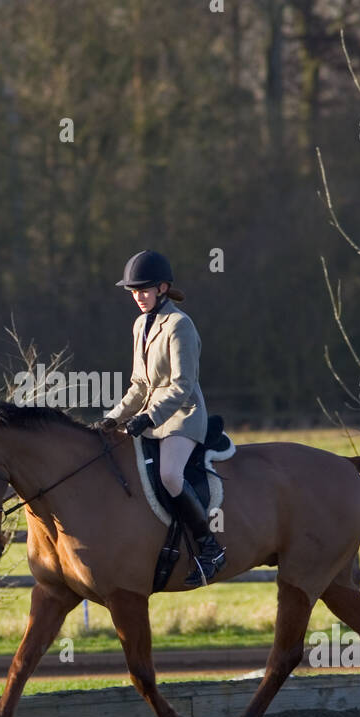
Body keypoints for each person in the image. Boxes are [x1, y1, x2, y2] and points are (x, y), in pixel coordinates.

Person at [98, 250, 226, 587]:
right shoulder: (140, 324)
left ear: (163, 288)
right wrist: (114, 418)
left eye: (143, 290)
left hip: (184, 417)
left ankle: (210, 546)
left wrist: (149, 416)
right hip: (149, 418)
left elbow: (182, 386)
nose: (138, 297)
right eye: (133, 292)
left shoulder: (180, 325)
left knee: (170, 475)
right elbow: (140, 384)